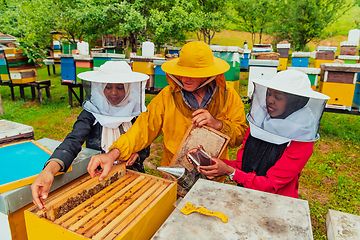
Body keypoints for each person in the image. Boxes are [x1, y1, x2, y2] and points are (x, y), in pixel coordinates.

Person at [87, 41, 248, 182]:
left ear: (208, 74)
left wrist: (217, 124)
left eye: (192, 74)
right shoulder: (167, 96)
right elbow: (142, 129)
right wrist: (113, 154)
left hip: (213, 177)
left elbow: (239, 136)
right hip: (174, 174)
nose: (185, 78)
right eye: (182, 72)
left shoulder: (229, 97)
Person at [31, 61, 150, 210]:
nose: (114, 92)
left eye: (120, 87)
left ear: (128, 88)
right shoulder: (91, 112)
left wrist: (138, 153)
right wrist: (49, 170)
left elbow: (145, 140)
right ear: (100, 88)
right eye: (108, 87)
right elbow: (73, 140)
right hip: (99, 177)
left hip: (132, 174)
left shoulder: (137, 113)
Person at [192, 70, 330, 198]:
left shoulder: (301, 140)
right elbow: (243, 166)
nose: (270, 100)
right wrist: (216, 163)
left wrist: (229, 171)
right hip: (246, 195)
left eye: (278, 97)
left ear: (295, 103)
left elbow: (271, 184)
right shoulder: (258, 125)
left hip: (278, 203)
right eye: (269, 94)